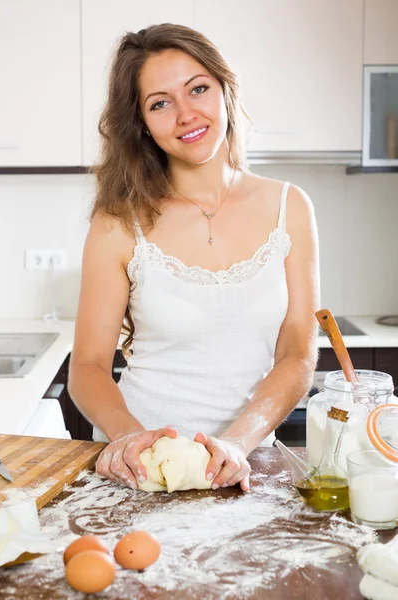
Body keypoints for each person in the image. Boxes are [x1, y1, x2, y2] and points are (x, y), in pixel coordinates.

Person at [68, 23, 320, 494]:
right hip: (138, 468)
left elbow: (297, 354)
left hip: (245, 462)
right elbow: (87, 365)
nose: (186, 114)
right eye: (160, 103)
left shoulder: (291, 207)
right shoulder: (118, 221)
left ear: (225, 90)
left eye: (198, 89)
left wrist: (238, 445)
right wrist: (127, 437)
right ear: (141, 123)